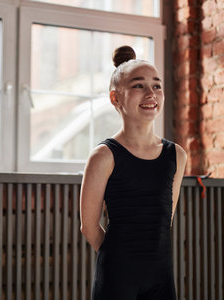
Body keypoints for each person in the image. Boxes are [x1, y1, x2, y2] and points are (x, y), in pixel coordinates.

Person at [79, 45, 187, 300]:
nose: (151, 93)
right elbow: (89, 226)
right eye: (139, 85)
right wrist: (120, 261)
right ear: (115, 98)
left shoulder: (177, 155)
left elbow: (165, 220)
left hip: (161, 278)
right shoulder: (103, 156)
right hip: (117, 278)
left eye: (157, 85)